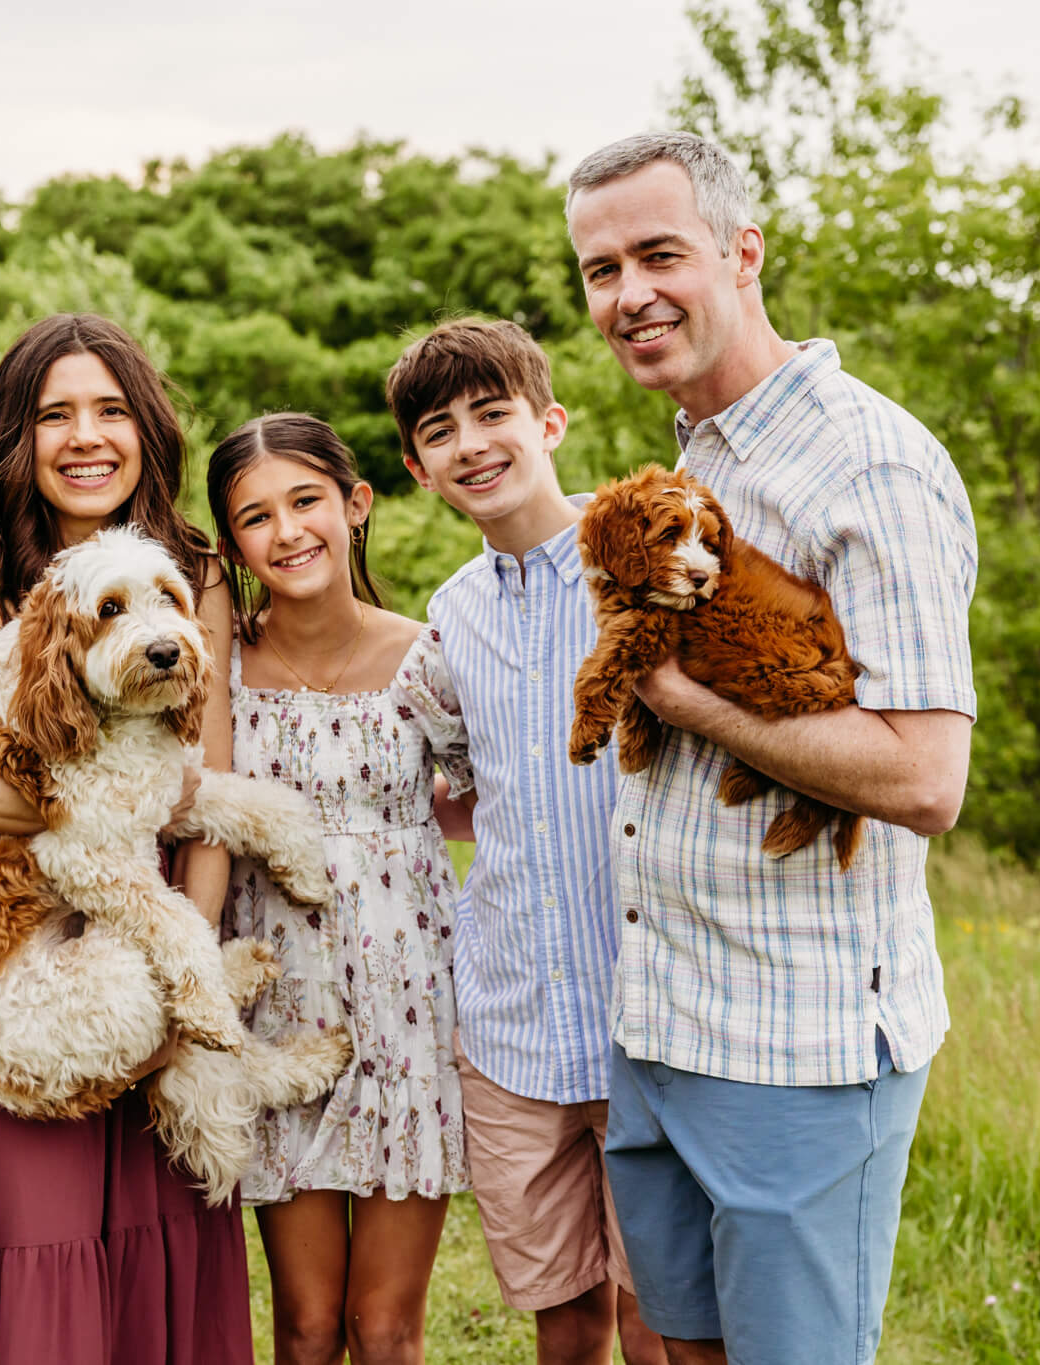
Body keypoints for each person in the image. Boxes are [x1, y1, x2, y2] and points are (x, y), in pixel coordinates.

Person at [564, 130, 977, 1365]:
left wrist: (685, 702)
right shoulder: (692, 453)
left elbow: (922, 776)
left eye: (657, 254)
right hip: (662, 1020)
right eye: (598, 270)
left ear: (742, 255)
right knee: (676, 1346)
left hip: (793, 1049)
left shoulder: (868, 462)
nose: (627, 294)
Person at [0, 313, 254, 1365]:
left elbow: (207, 780)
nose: (85, 436)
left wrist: (182, 969)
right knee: (34, 1245)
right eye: (55, 414)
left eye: (109, 410)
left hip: (147, 949)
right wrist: (94, 824)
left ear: (144, 427)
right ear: (18, 433)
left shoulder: (191, 571)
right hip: (9, 956)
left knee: (159, 1244)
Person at [386, 319, 666, 1365]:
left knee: (659, 1314)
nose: (471, 444)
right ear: (417, 469)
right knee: (562, 1316)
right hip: (509, 1019)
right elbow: (465, 782)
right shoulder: (450, 617)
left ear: (547, 422)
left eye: (492, 415)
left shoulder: (635, 567)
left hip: (644, 1009)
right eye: (440, 431)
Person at [206, 413, 470, 1365]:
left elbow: (484, 798)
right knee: (309, 1327)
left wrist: (382, 844)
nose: (287, 532)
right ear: (232, 542)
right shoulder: (221, 669)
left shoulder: (428, 654)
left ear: (355, 506)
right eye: (255, 516)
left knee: (383, 1326)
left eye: (306, 501)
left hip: (406, 1014)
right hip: (281, 1019)